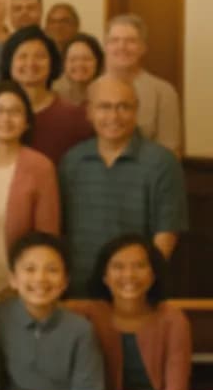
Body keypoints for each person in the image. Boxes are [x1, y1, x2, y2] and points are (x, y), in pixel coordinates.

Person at [59, 76, 187, 295]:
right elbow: (61, 228)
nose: (114, 116)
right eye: (104, 107)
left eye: (124, 107)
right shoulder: (72, 160)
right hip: (79, 288)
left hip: (135, 290)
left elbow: (166, 233)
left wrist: (140, 281)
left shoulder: (162, 163)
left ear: (136, 111)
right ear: (89, 112)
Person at [0, 82, 60, 302]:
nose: (6, 118)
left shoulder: (41, 167)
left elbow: (47, 234)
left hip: (25, 286)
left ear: (26, 122)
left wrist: (25, 280)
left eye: (15, 112)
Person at [70, 235, 192, 390]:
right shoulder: (86, 315)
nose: (129, 275)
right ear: (105, 277)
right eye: (118, 267)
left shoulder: (172, 319)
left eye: (139, 266)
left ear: (153, 274)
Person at [0, 233, 104, 390]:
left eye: (52, 270)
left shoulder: (81, 330)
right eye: (30, 269)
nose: (40, 278)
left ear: (65, 281)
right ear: (13, 279)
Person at [0, 25, 93, 165]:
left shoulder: (75, 118)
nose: (31, 63)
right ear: (9, 63)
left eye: (39, 56)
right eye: (22, 56)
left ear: (52, 63)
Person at [104, 13, 182, 155]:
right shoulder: (92, 88)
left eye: (131, 41)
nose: (122, 47)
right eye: (114, 40)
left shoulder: (163, 92)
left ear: (143, 48)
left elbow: (170, 152)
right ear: (106, 47)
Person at [52, 32, 104, 106]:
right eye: (73, 59)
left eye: (86, 59)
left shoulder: (108, 94)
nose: (79, 64)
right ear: (64, 64)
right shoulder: (53, 94)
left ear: (98, 62)